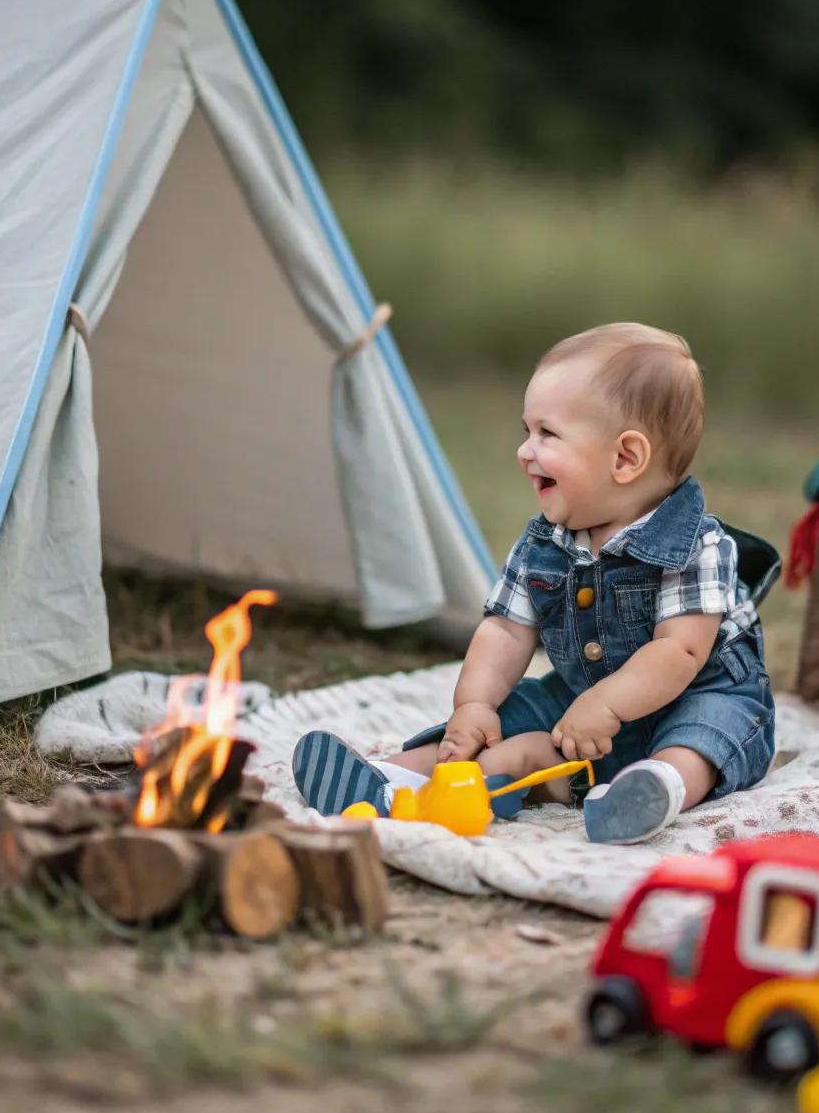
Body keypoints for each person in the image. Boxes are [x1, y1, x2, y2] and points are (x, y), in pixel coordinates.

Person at [293, 323, 780, 843]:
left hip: (697, 691)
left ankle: (652, 790)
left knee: (707, 733)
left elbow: (680, 653)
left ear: (624, 458)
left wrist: (608, 706)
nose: (525, 451)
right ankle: (396, 777)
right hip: (582, 701)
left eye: (546, 434)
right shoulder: (544, 543)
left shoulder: (695, 545)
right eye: (527, 431)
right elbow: (505, 631)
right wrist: (475, 704)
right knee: (509, 713)